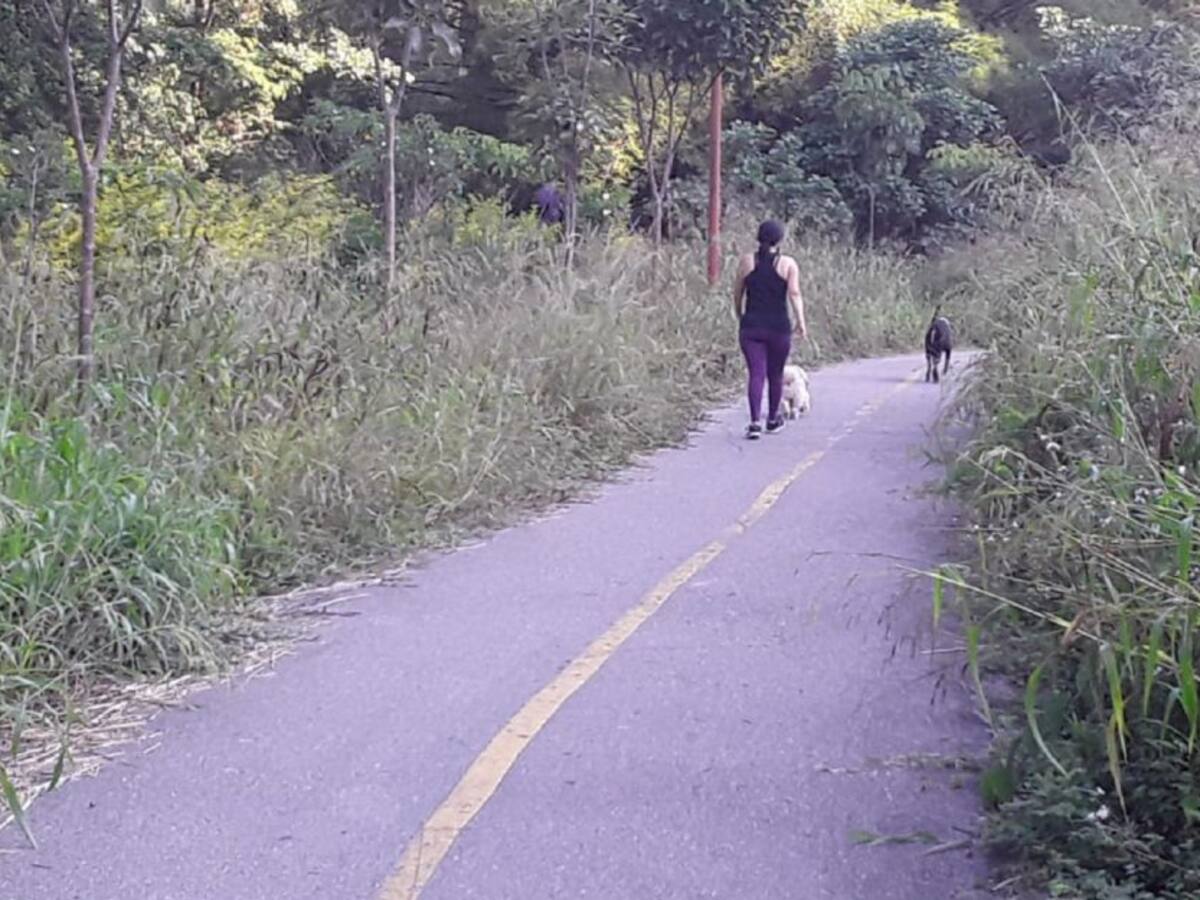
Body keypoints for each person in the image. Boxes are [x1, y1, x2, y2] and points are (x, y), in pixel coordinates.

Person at [733, 220, 807, 440]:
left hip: (751, 326)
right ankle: (772, 419)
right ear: (780, 239)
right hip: (778, 327)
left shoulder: (747, 261)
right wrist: (801, 322)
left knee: (756, 374)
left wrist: (740, 314)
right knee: (775, 373)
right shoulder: (788, 264)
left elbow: (737, 292)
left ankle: (754, 422)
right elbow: (794, 294)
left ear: (758, 237)